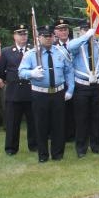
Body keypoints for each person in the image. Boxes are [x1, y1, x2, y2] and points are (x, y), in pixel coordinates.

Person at [18, 25, 74, 163]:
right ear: (39, 38)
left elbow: (69, 71)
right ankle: (43, 155)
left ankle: (58, 153)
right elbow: (21, 72)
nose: (48, 39)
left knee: (58, 124)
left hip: (58, 93)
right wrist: (31, 73)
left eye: (50, 36)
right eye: (45, 36)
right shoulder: (31, 54)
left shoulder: (61, 52)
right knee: (41, 125)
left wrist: (70, 89)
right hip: (40, 94)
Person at [67, 20, 99, 156]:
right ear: (81, 30)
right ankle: (81, 148)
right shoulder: (77, 45)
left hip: (97, 85)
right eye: (84, 29)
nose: (87, 31)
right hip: (82, 86)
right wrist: (85, 37)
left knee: (95, 117)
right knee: (81, 118)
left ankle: (95, 146)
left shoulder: (98, 45)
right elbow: (69, 46)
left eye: (89, 29)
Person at [0, 24, 36, 156]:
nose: (23, 36)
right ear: (14, 36)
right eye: (20, 34)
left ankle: (34, 145)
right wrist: (11, 79)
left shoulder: (33, 49)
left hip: (31, 91)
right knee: (12, 122)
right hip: (14, 92)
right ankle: (11, 148)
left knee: (33, 121)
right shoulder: (7, 51)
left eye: (25, 34)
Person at [53, 18, 75, 142]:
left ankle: (77, 133)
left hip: (78, 80)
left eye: (65, 29)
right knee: (64, 110)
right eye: (60, 30)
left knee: (77, 110)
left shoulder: (76, 43)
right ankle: (66, 134)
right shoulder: (54, 47)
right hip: (63, 82)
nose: (63, 32)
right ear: (55, 32)